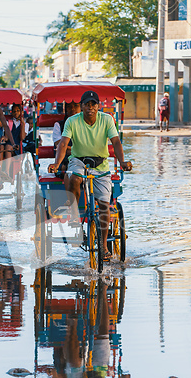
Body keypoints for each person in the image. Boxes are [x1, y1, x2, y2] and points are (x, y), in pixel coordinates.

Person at [48, 90, 132, 261]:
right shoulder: (72, 121)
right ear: (82, 106)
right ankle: (75, 218)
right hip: (78, 161)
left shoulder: (107, 119)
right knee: (75, 178)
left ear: (98, 106)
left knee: (104, 206)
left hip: (101, 164)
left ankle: (103, 246)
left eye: (94, 104)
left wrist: (122, 161)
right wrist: (57, 164)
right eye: (87, 104)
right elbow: (63, 143)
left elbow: (115, 141)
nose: (90, 108)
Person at [52, 101, 81, 176]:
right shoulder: (59, 125)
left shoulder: (86, 125)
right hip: (64, 160)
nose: (72, 109)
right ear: (65, 109)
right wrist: (78, 150)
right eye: (69, 106)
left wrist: (67, 149)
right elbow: (59, 145)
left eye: (76, 105)